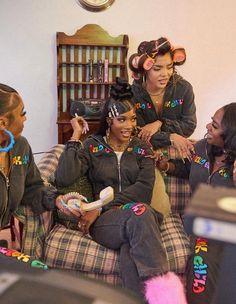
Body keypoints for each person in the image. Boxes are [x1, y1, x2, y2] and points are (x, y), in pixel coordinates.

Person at [54, 78, 187, 304]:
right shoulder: (93, 146)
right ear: (109, 120)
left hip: (140, 217)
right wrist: (76, 136)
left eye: (133, 119)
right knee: (139, 216)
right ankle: (167, 298)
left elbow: (143, 190)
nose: (129, 125)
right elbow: (63, 177)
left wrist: (99, 206)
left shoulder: (142, 148)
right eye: (121, 119)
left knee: (132, 243)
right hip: (107, 222)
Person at [156, 102, 236, 303]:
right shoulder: (202, 148)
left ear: (231, 136)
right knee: (202, 258)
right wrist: (166, 166)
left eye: (215, 126)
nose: (208, 127)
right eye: (211, 121)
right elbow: (188, 169)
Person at [0, 83, 56, 268]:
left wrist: (57, 200)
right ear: (3, 122)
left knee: (35, 273)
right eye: (22, 113)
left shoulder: (20, 146)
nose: (26, 119)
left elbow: (33, 187)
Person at [129, 37, 196, 157]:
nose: (165, 74)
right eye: (157, 69)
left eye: (169, 67)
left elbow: (189, 125)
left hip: (178, 151)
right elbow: (138, 133)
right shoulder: (133, 95)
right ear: (145, 69)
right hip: (142, 153)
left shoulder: (184, 89)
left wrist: (160, 123)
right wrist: (170, 137)